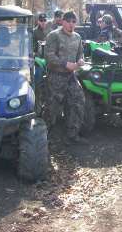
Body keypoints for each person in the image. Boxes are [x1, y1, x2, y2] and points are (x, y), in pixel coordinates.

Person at [44, 11, 87, 145]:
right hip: (56, 76)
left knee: (78, 102)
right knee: (52, 108)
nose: (71, 24)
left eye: (74, 22)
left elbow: (81, 54)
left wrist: (80, 61)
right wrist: (65, 64)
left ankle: (72, 134)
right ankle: (45, 137)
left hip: (71, 76)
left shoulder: (77, 37)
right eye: (68, 21)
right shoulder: (54, 36)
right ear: (62, 22)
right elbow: (49, 56)